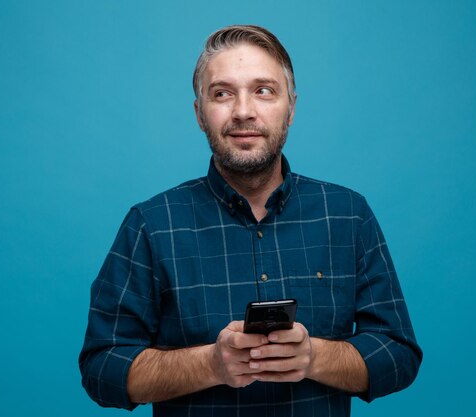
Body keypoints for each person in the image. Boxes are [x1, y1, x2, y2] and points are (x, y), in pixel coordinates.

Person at [79, 24, 422, 416]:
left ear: (290, 108)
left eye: (263, 90)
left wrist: (313, 357)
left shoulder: (348, 214)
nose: (243, 111)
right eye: (222, 93)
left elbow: (399, 356)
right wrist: (210, 365)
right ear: (199, 114)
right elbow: (101, 369)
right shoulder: (151, 224)